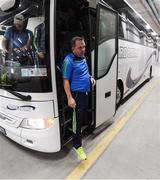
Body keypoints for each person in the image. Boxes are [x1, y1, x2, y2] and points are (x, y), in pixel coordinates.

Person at [62, 36, 96, 160]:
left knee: (79, 120)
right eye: (80, 47)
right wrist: (70, 98)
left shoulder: (83, 58)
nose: (83, 49)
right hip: (76, 95)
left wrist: (90, 77)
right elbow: (65, 81)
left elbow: (85, 72)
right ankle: (77, 146)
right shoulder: (68, 61)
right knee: (77, 123)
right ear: (73, 48)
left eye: (84, 46)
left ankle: (75, 132)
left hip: (85, 94)